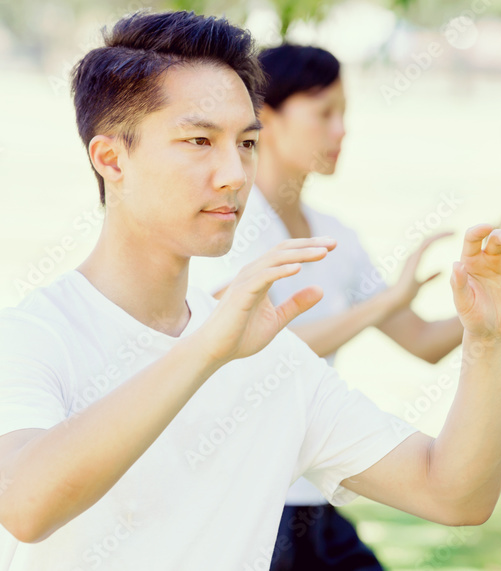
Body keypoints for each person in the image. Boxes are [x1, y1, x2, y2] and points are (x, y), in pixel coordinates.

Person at [0, 10, 501, 571]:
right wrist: (205, 349)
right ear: (111, 159)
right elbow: (24, 504)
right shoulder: (37, 334)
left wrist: (489, 342)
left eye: (246, 143)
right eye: (199, 141)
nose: (235, 174)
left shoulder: (272, 361)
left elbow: (455, 494)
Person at [189, 43, 465, 570]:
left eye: (344, 115)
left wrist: (488, 316)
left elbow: (423, 341)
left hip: (314, 501)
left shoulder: (338, 237)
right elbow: (251, 347)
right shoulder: (232, 231)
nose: (340, 132)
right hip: (249, 508)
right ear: (264, 119)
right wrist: (383, 303)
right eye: (324, 114)